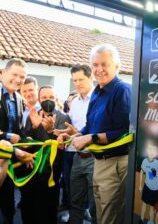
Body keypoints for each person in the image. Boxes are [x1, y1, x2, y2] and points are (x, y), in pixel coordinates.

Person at [70, 44, 131, 224]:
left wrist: (90, 138)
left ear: (117, 66)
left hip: (116, 163)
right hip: (99, 161)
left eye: (104, 64)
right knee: (100, 212)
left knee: (109, 217)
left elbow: (125, 131)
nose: (99, 69)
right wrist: (76, 135)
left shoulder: (122, 90)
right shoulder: (97, 92)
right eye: (95, 65)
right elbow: (90, 126)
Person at [22, 85, 71, 224]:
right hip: (33, 164)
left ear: (56, 98)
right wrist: (29, 138)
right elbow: (26, 135)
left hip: (52, 168)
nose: (47, 100)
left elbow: (62, 143)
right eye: (44, 97)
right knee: (31, 201)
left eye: (50, 97)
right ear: (39, 99)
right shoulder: (33, 115)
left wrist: (50, 130)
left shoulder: (63, 117)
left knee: (49, 202)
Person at [56, 64, 96, 224]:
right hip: (76, 156)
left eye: (81, 79)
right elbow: (71, 127)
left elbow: (96, 130)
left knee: (95, 204)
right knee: (75, 200)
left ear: (90, 77)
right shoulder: (76, 103)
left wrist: (75, 133)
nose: (77, 83)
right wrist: (64, 135)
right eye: (75, 80)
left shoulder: (98, 99)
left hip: (95, 157)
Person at [0, 58, 27, 224]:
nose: (18, 80)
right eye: (14, 74)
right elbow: (11, 134)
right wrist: (9, 137)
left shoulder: (18, 98)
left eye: (22, 77)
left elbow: (17, 129)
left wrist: (26, 139)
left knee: (8, 206)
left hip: (8, 160)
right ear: (3, 72)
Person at [139, 141, 158, 224]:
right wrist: (140, 185)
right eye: (150, 149)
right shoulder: (144, 161)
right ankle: (141, 220)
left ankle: (151, 221)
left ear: (156, 153)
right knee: (144, 204)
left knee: (152, 207)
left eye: (154, 150)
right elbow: (141, 172)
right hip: (147, 186)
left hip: (155, 189)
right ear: (146, 150)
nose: (151, 152)